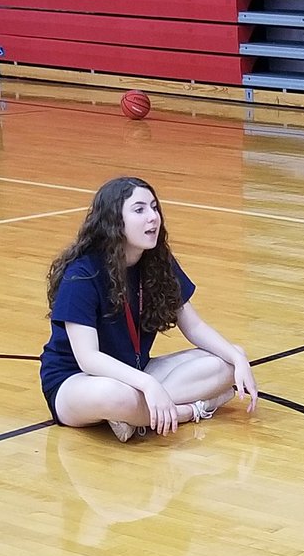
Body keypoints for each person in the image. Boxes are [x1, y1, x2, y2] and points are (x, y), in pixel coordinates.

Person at [40, 175, 258, 441]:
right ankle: (193, 409)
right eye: (140, 210)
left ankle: (135, 418)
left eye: (154, 208)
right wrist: (148, 384)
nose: (153, 217)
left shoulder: (157, 262)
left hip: (136, 371)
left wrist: (238, 360)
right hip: (78, 381)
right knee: (116, 395)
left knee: (230, 358)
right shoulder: (82, 275)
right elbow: (89, 358)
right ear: (114, 222)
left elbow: (194, 326)